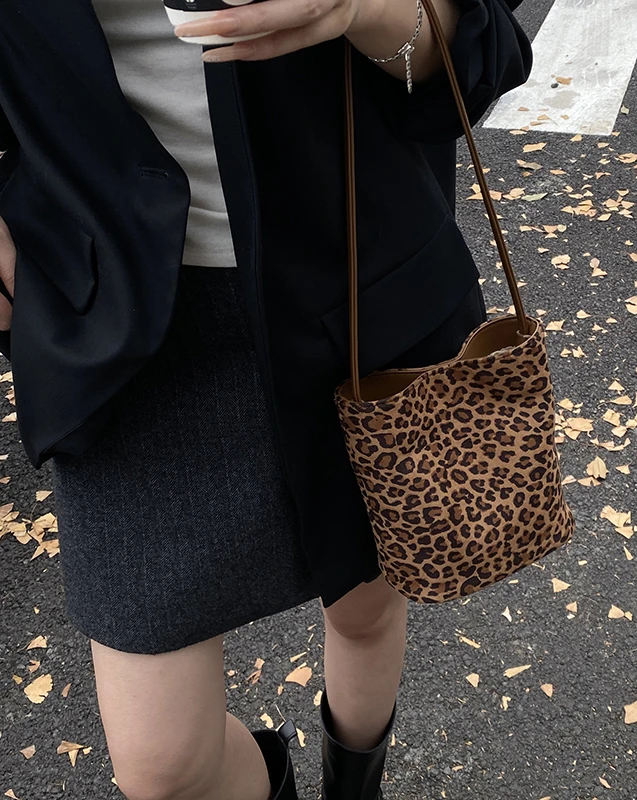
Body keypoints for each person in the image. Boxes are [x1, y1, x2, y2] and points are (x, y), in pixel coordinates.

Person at [0, 0, 531, 797]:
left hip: (358, 276)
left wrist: (369, 9)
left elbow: (481, 51)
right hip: (114, 327)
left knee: (366, 611)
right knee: (162, 765)